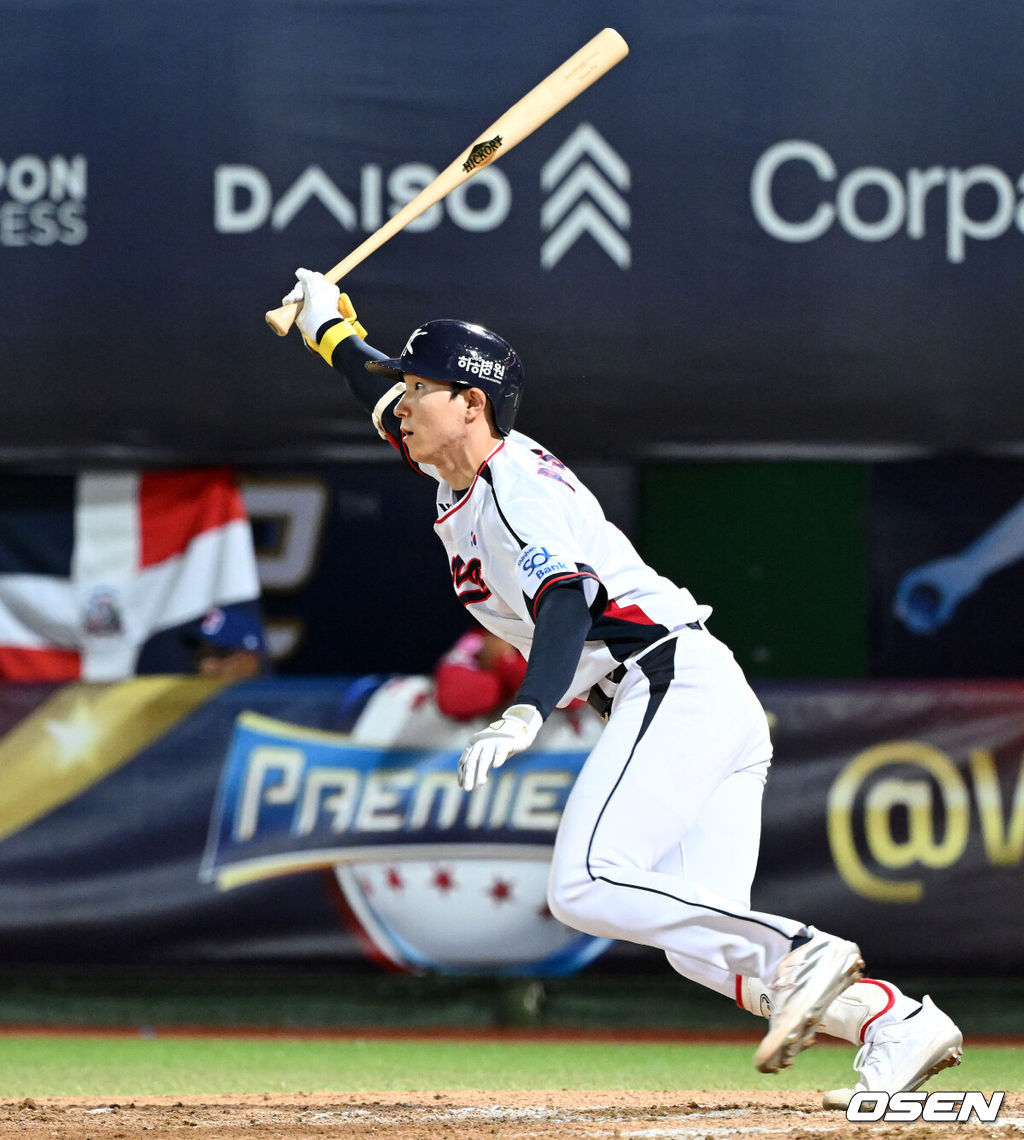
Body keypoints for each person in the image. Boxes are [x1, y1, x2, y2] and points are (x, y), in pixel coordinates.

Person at [283, 269, 963, 1103]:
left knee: (585, 884)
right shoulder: (453, 463)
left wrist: (526, 710)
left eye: (419, 388)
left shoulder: (513, 490)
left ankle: (803, 950)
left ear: (471, 403)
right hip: (697, 693)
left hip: (668, 680)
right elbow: (371, 383)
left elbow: (564, 601)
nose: (402, 401)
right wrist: (328, 329)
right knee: (703, 946)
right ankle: (893, 1022)